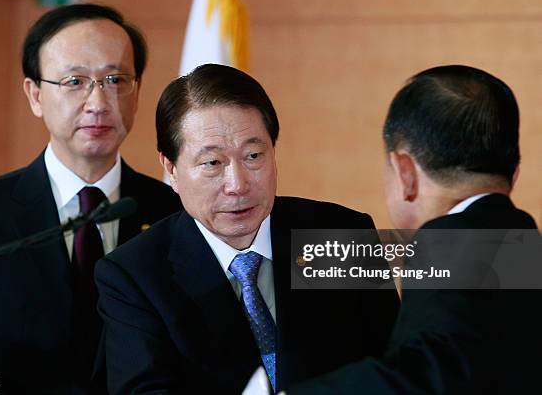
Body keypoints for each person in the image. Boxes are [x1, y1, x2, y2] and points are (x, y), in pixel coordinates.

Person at [95, 63, 400, 394]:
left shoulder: (341, 236)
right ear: (170, 168)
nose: (237, 185)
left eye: (253, 155)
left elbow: (390, 369)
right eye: (212, 163)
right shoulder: (135, 276)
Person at [0, 3, 181, 393]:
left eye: (115, 79)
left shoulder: (172, 213)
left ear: (137, 92)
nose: (98, 103)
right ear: (34, 94)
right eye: (74, 81)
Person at [288, 65, 540, 394]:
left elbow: (426, 376)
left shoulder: (448, 248)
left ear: (405, 172)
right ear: (514, 172)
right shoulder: (523, 244)